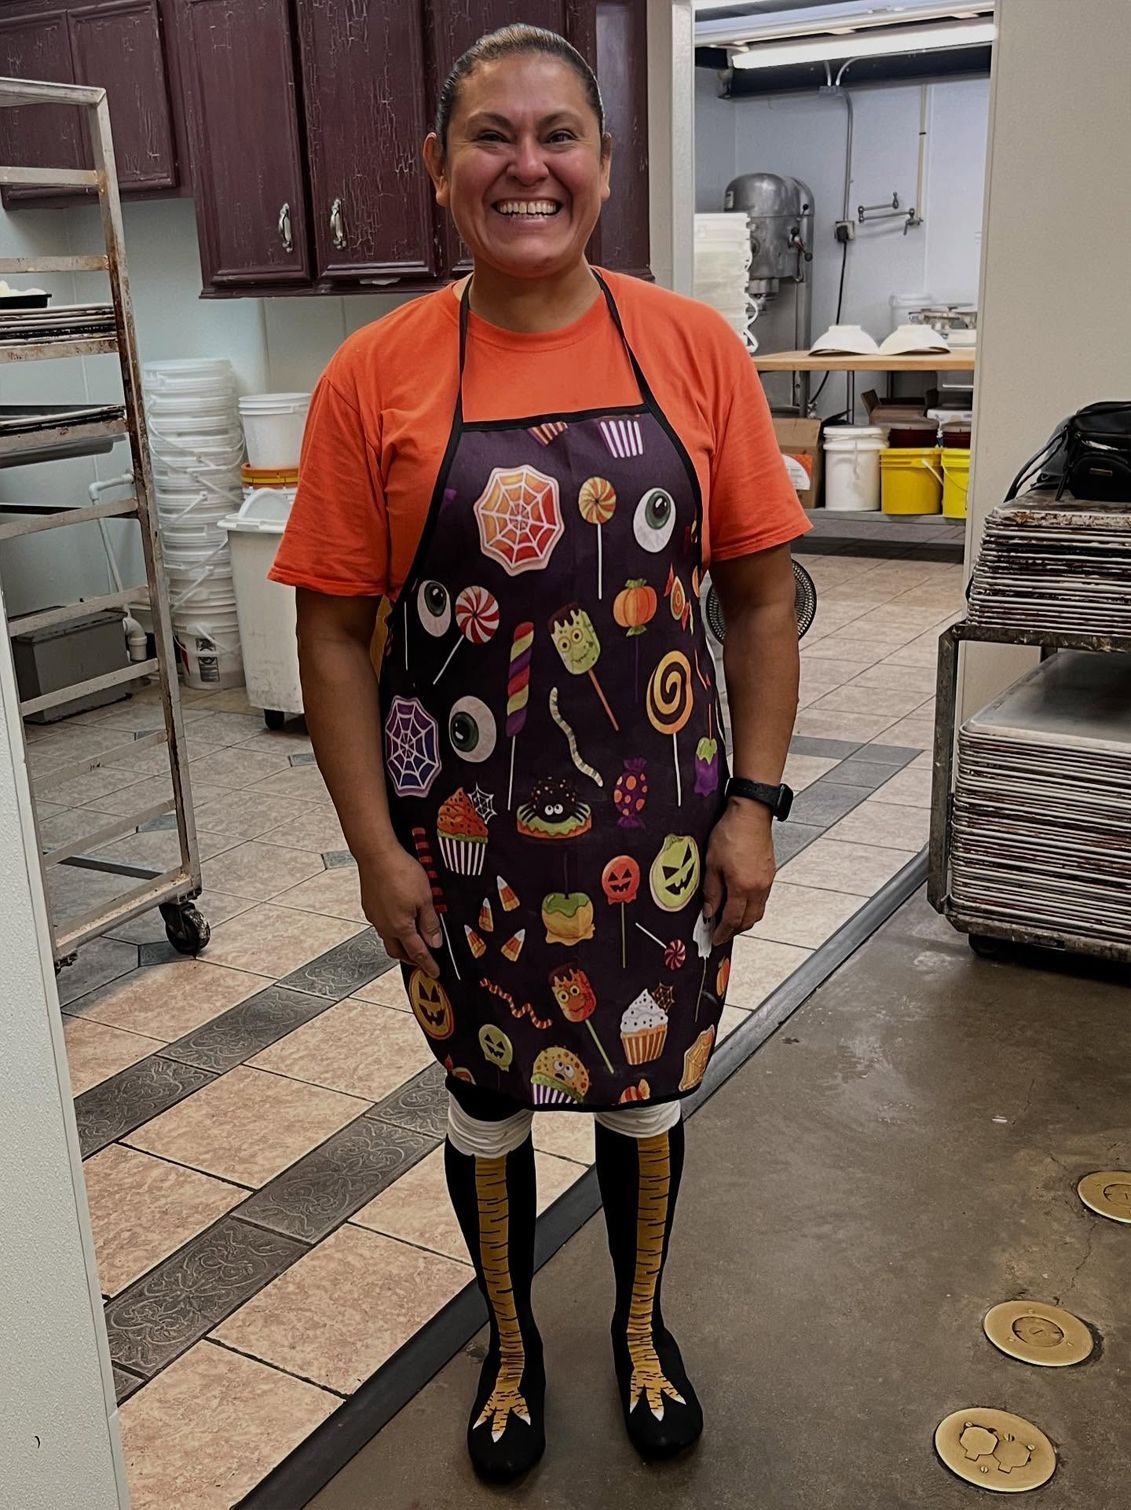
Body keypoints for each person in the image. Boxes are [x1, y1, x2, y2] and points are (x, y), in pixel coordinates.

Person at [269, 23, 809, 1480]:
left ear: (605, 168)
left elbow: (761, 597)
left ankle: (638, 1328)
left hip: (664, 829)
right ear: (439, 170)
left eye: (558, 135)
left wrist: (754, 803)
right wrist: (379, 851)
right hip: (461, 842)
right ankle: (511, 1342)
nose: (528, 165)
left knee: (648, 1085)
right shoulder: (371, 377)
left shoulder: (691, 347)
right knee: (486, 1089)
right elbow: (330, 635)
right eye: (492, 137)